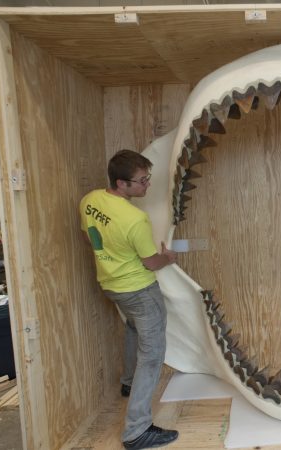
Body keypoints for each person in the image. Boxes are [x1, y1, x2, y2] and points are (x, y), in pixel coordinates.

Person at [79, 149, 179, 449]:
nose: (147, 185)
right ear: (122, 184)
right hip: (139, 290)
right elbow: (151, 263)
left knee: (133, 330)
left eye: (147, 178)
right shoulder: (135, 219)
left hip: (111, 285)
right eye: (142, 181)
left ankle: (127, 383)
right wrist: (168, 257)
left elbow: (89, 237)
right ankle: (136, 430)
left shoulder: (90, 200)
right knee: (152, 356)